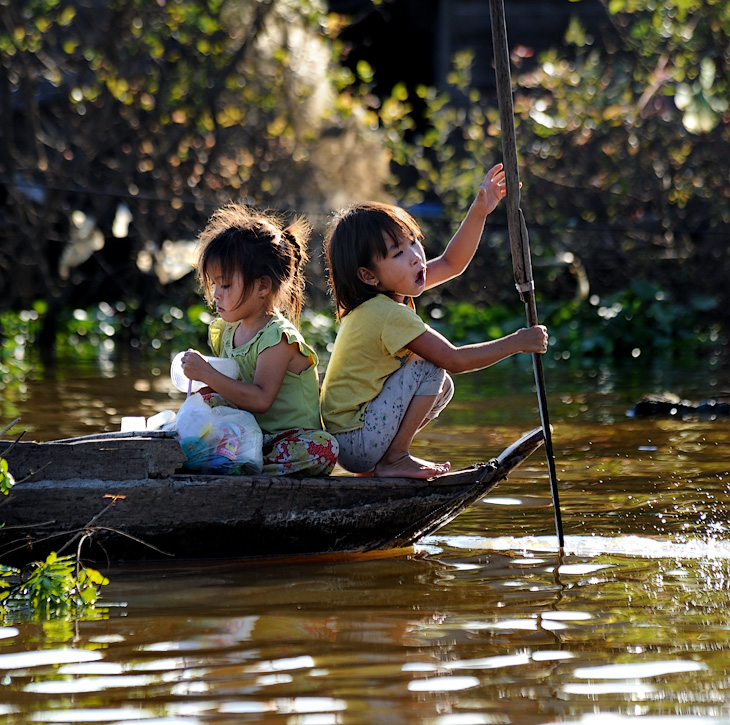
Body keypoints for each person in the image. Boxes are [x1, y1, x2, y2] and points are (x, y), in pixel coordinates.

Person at [321, 162, 548, 479]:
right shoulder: (386, 312)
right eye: (397, 253)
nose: (415, 255)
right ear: (368, 276)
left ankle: (381, 465)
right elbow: (453, 359)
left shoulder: (384, 296)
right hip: (355, 440)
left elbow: (452, 263)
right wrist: (517, 342)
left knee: (442, 388)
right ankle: (395, 458)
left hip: (352, 440)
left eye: (413, 241)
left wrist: (480, 210)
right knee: (431, 364)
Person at [181, 203, 338, 476]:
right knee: (205, 402)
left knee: (324, 448)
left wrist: (207, 373)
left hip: (283, 440)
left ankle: (246, 463)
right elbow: (227, 390)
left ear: (263, 286)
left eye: (226, 285)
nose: (216, 294)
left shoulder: (277, 338)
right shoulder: (226, 332)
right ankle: (234, 456)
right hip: (246, 433)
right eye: (214, 284)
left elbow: (261, 400)